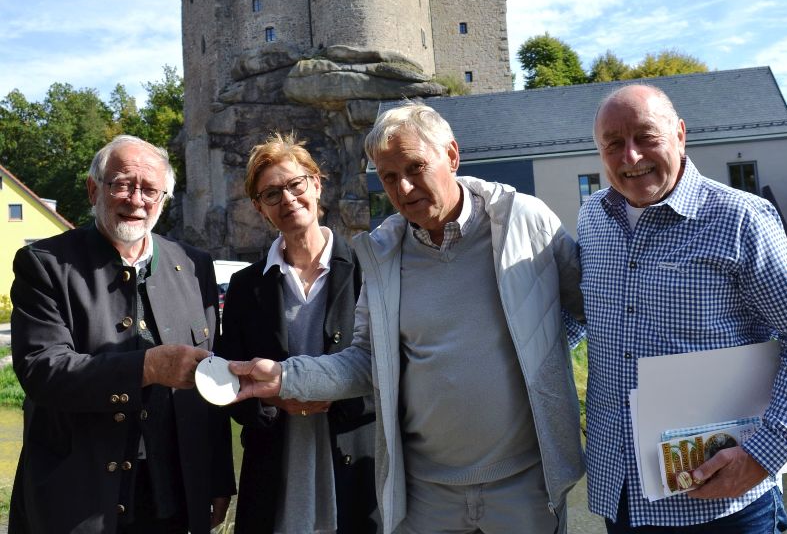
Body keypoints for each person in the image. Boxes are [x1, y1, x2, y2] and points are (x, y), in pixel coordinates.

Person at [229, 101, 585, 534]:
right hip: (425, 495)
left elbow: (591, 309)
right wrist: (286, 377)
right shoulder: (382, 253)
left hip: (526, 485)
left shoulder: (523, 220)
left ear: (451, 155)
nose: (404, 187)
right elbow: (366, 359)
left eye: (415, 167)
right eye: (389, 177)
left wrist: (547, 349)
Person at [579, 83, 787, 533]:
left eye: (646, 137)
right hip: (624, 496)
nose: (630, 156)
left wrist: (765, 452)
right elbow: (578, 314)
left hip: (727, 504)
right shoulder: (592, 217)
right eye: (613, 144)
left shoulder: (741, 219)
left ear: (679, 134)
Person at [9, 135, 235, 534]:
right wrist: (147, 367)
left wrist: (217, 478)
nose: (136, 200)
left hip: (172, 496)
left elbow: (209, 384)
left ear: (164, 199)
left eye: (150, 190)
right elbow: (43, 371)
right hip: (80, 500)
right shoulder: (45, 264)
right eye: (123, 184)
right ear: (93, 189)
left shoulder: (194, 265)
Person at [217, 132, 379, 533]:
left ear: (316, 184)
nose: (287, 199)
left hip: (357, 469)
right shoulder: (245, 287)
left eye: (295, 184)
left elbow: (392, 368)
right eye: (272, 194)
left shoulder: (369, 270)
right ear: (259, 208)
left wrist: (330, 393)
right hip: (276, 473)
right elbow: (228, 383)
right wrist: (274, 401)